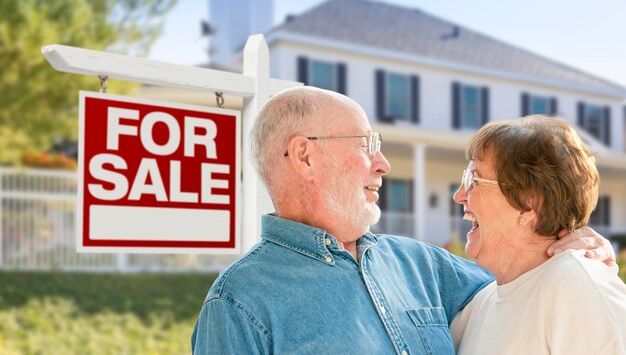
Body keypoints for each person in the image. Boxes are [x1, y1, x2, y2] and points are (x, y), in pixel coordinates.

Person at [192, 87, 615, 355]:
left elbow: (526, 279)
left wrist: (577, 242)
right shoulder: (238, 306)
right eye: (366, 145)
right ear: (304, 155)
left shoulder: (422, 265)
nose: (384, 164)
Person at [450, 115, 626, 355]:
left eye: (473, 179)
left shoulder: (575, 286)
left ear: (529, 202)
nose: (459, 195)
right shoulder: (479, 305)